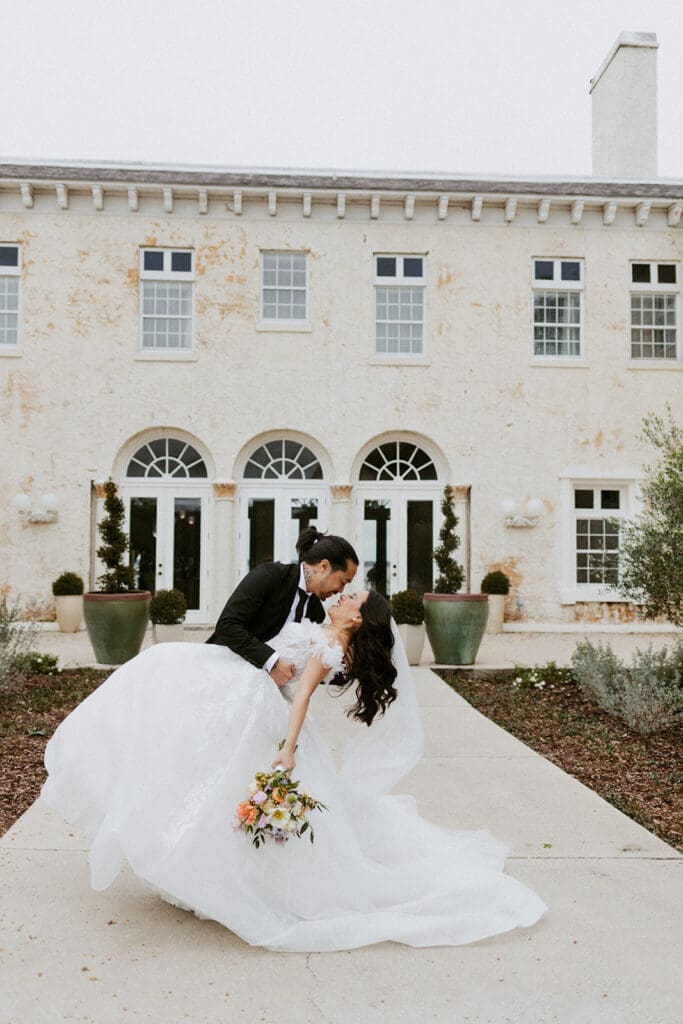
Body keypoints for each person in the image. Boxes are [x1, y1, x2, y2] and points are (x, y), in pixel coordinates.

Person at [41, 549, 547, 952]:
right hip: (241, 692)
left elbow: (302, 692)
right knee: (185, 741)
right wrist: (272, 667)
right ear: (323, 567)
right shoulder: (312, 615)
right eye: (345, 587)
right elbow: (242, 632)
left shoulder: (329, 644)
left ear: (358, 617)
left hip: (260, 709)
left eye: (353, 596)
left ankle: (228, 877)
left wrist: (287, 746)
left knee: (223, 782)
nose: (346, 594)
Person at [206, 528, 359, 687]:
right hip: (220, 675)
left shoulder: (316, 611)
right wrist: (272, 661)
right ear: (324, 566)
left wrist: (342, 668)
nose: (341, 591)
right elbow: (227, 625)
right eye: (343, 581)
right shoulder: (270, 576)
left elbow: (303, 667)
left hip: (261, 691)